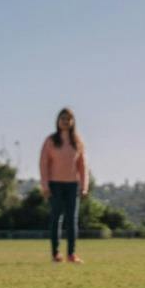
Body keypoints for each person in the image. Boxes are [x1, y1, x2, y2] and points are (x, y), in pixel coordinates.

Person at [39, 108, 89, 263]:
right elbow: (43, 163)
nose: (65, 121)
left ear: (72, 122)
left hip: (72, 185)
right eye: (62, 118)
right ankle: (56, 254)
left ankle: (71, 254)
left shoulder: (77, 141)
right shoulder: (50, 140)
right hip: (55, 185)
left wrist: (84, 186)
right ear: (58, 121)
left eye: (68, 119)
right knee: (56, 218)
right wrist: (45, 186)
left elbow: (83, 165)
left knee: (72, 219)